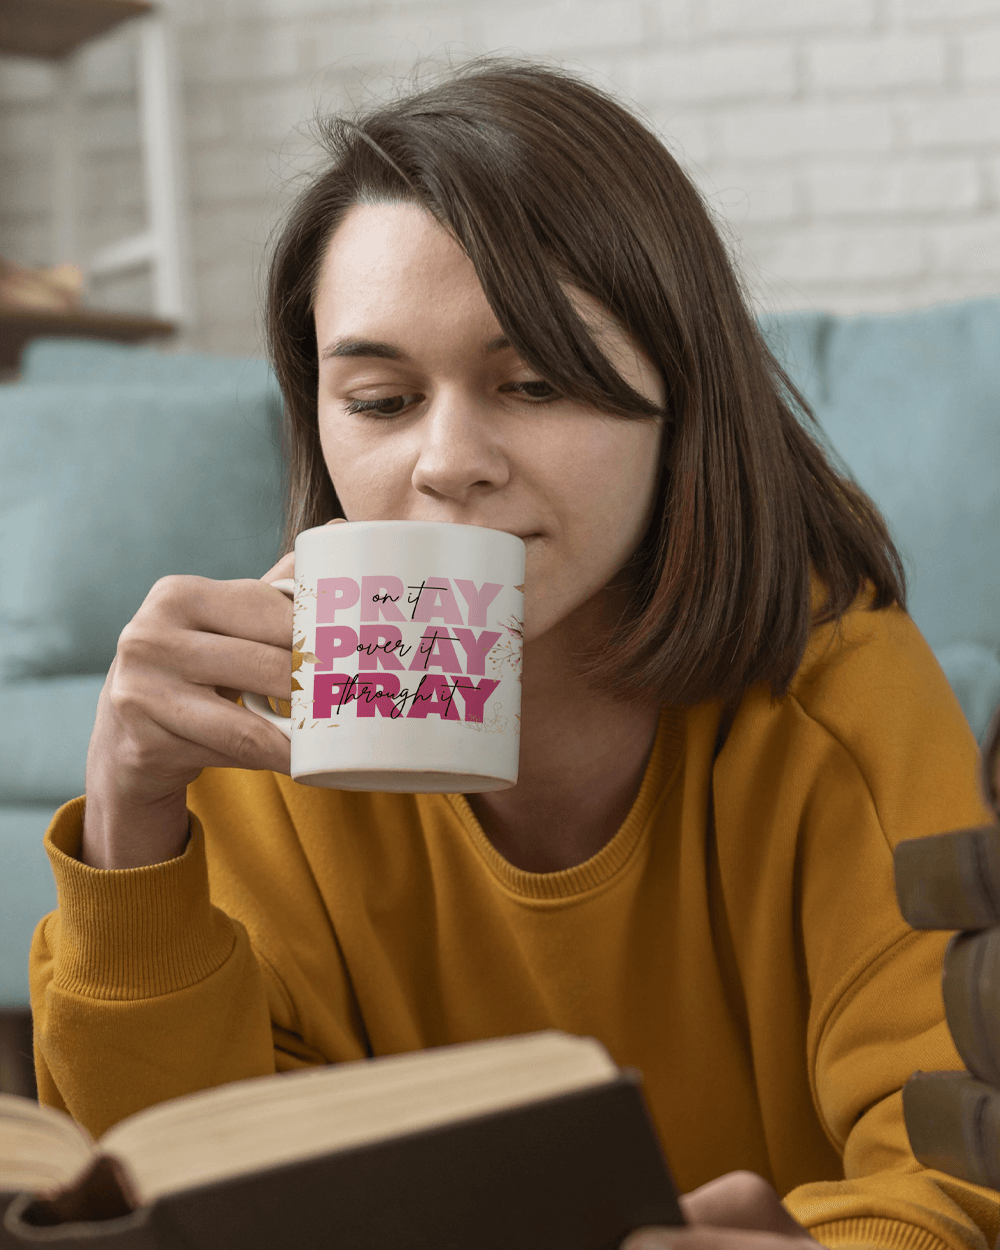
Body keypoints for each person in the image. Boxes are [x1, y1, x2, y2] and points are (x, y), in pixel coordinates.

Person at [30, 59, 998, 1250]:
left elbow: (952, 1188)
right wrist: (136, 829)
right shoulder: (263, 719)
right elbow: (169, 1189)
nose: (450, 460)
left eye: (533, 381)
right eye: (380, 400)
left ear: (680, 393)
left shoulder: (839, 689)